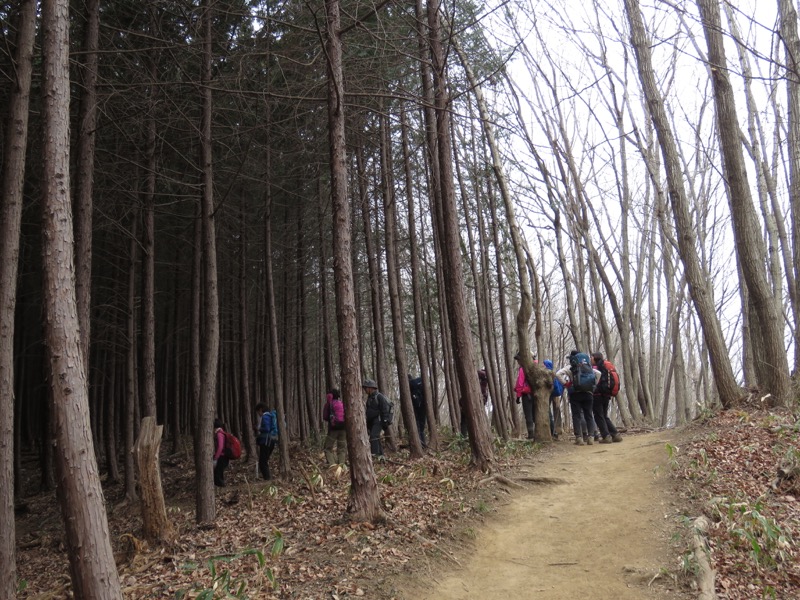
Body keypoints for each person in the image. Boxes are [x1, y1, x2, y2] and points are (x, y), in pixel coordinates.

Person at [556, 350, 598, 446]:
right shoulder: (588, 367)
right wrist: (593, 386)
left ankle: (579, 437)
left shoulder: (570, 367)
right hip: (588, 393)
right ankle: (591, 436)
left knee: (576, 415)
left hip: (575, 393)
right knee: (589, 415)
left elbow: (558, 373)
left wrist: (566, 384)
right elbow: (598, 373)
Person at [591, 353, 623, 443]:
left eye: (591, 357)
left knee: (598, 416)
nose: (590, 359)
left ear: (594, 358)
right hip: (607, 394)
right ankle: (615, 434)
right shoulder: (606, 366)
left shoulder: (596, 368)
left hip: (597, 395)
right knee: (604, 416)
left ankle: (606, 436)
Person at [363, 379, 392, 457]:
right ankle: (381, 455)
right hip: (372, 422)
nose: (365, 390)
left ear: (371, 388)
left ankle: (375, 455)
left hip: (378, 421)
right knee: (376, 437)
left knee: (373, 436)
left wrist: (385, 420)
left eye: (366, 388)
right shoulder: (369, 398)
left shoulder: (379, 396)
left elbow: (384, 409)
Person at [514, 352, 536, 439]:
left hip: (527, 395)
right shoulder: (538, 365)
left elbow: (520, 383)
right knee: (536, 414)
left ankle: (531, 434)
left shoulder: (523, 369)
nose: (518, 362)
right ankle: (538, 432)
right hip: (537, 394)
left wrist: (518, 396)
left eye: (518, 360)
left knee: (528, 415)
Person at [322, 389, 347, 465]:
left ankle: (332, 464)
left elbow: (325, 417)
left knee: (327, 448)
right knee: (342, 448)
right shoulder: (342, 403)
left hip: (333, 429)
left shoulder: (329, 404)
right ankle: (341, 464)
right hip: (343, 428)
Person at [254, 403, 277, 479]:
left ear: (261, 410)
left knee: (262, 462)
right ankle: (267, 477)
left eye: (258, 412)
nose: (258, 414)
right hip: (271, 441)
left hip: (266, 441)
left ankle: (267, 479)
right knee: (264, 461)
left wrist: (258, 429)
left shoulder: (265, 417)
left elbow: (266, 429)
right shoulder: (270, 416)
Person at [543, 360, 561, 440]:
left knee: (548, 413)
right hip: (551, 395)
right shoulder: (552, 373)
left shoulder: (548, 374)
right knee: (548, 412)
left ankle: (553, 433)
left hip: (548, 395)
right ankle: (553, 432)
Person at [408, 375, 426, 448]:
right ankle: (423, 443)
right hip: (423, 407)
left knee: (419, 427)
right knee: (421, 427)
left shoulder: (412, 386)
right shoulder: (418, 385)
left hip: (418, 408)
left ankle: (421, 444)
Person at [213, 418, 229, 486]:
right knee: (219, 473)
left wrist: (216, 457)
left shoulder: (219, 434)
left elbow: (220, 447)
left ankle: (222, 487)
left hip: (222, 456)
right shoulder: (222, 432)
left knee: (217, 474)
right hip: (223, 456)